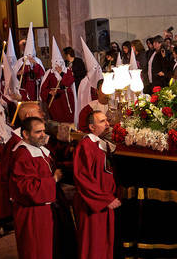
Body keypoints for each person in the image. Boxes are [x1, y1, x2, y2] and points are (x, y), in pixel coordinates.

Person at [10, 116, 63, 259]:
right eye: (38, 132)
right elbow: (27, 189)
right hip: (32, 214)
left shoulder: (37, 148)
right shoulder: (23, 155)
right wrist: (54, 179)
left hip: (43, 210)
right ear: (26, 134)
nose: (43, 135)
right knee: (35, 251)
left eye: (44, 131)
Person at [74, 110, 119, 259]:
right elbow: (83, 178)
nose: (107, 124)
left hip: (105, 202)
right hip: (92, 205)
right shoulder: (86, 146)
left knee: (104, 243)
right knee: (93, 245)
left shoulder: (101, 144)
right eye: (102, 121)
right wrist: (104, 199)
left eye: (106, 120)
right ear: (91, 127)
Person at [0, 102, 44, 221]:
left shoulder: (38, 135)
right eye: (39, 111)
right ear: (28, 116)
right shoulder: (16, 143)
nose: (42, 114)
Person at [40, 37, 76, 123]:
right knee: (57, 119)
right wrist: (49, 92)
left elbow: (69, 82)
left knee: (68, 119)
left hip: (67, 98)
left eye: (59, 62)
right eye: (55, 62)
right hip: (55, 101)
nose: (58, 65)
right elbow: (43, 89)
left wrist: (61, 73)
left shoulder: (67, 70)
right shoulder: (49, 73)